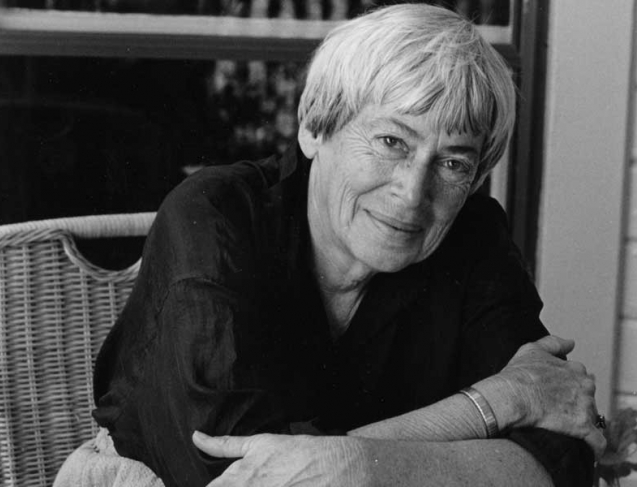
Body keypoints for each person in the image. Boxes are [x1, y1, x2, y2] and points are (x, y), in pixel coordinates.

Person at [67, 4, 606, 486]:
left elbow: (566, 447)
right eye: (392, 141)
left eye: (452, 163)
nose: (412, 194)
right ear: (313, 126)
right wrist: (495, 404)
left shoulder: (472, 235)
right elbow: (240, 480)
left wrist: (360, 467)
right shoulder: (215, 217)